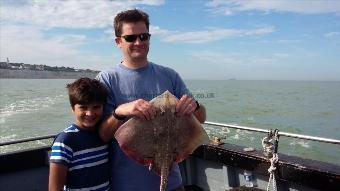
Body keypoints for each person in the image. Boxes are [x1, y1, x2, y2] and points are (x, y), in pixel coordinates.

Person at [96, 9, 206, 191]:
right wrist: (120, 111)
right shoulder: (106, 79)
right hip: (127, 185)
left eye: (143, 36)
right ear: (118, 42)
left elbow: (201, 118)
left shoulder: (170, 75)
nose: (138, 42)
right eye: (130, 38)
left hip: (173, 183)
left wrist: (194, 106)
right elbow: (102, 135)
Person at [49, 77, 110, 191]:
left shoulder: (104, 135)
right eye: (83, 107)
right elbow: (55, 188)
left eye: (96, 107)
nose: (90, 113)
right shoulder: (65, 141)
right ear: (73, 108)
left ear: (103, 107)